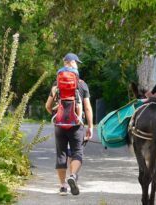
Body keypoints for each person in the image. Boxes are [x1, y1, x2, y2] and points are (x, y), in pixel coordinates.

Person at [45, 53, 94, 196]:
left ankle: (62, 186)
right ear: (71, 62)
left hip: (60, 124)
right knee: (77, 152)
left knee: (61, 154)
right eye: (76, 62)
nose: (77, 65)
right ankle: (72, 176)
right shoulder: (82, 84)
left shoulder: (56, 84)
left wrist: (57, 114)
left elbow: (48, 106)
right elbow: (88, 107)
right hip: (77, 124)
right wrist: (90, 126)